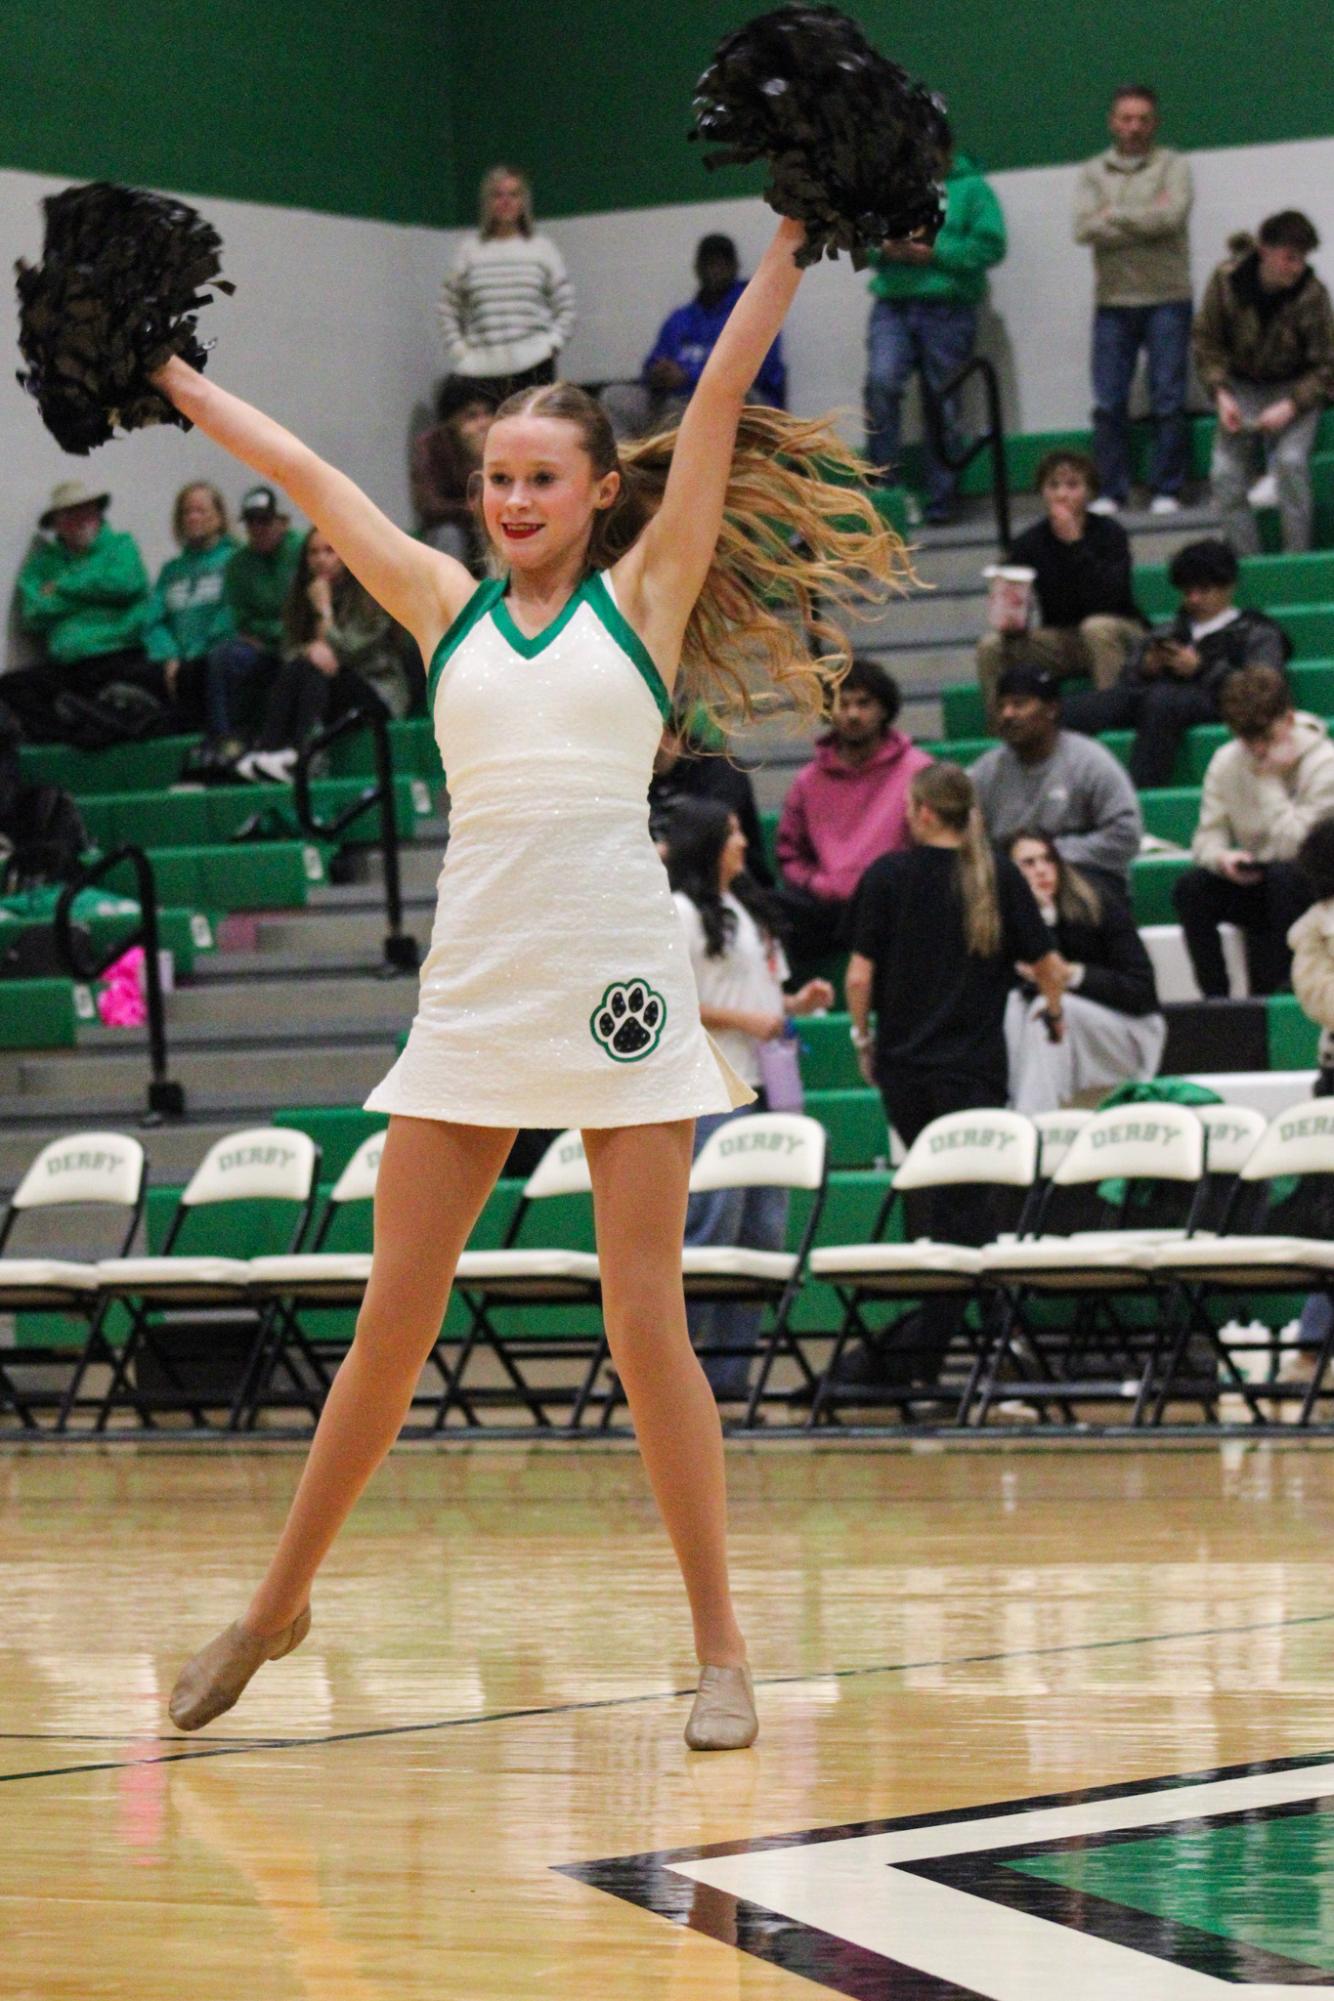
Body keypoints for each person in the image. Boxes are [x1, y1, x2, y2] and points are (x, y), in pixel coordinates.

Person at [152, 211, 908, 1751]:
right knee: (391, 1321)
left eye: (540, 478)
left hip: (621, 985)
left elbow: (715, 403)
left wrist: (787, 241)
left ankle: (721, 1651)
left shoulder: (648, 597)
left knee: (646, 1322)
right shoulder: (439, 603)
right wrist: (162, 369)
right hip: (479, 987)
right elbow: (305, 475)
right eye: (494, 477)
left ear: (598, 493)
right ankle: (275, 1605)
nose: (509, 499)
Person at [842, 763, 1065, 1389]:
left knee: (954, 1217)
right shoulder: (994, 875)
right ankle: (980, 1353)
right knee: (964, 1215)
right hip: (973, 1076)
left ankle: (922, 1358)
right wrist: (1054, 1012)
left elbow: (858, 978)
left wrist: (864, 1039)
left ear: (922, 812)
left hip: (906, 1077)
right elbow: (1048, 964)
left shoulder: (887, 875)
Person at [665, 797, 832, 1404]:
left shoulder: (750, 909)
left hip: (767, 1084)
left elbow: (766, 997)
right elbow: (671, 999)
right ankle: (671, 1376)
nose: (742, 843)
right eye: (732, 832)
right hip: (713, 1086)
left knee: (763, 1231)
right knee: (711, 1228)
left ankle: (727, 1376)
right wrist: (747, 1018)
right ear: (707, 842)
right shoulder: (679, 912)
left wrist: (794, 1005)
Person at [1063, 538, 1292, 788]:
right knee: (1079, 707)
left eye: (1203, 590)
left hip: (1217, 700)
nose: (1194, 599)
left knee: (1162, 700)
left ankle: (1140, 790)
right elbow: (1126, 681)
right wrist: (1146, 667)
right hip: (1158, 695)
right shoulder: (1169, 630)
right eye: (1187, 591)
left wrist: (1201, 669)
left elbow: (1264, 688)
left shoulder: (1257, 631)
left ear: (1228, 587)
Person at [863, 122, 1006, 523]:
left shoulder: (973, 188)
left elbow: (991, 245)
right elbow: (862, 239)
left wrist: (935, 251)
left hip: (948, 308)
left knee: (943, 403)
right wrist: (884, 246)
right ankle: (885, 496)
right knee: (881, 385)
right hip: (892, 306)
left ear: (947, 150)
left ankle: (942, 500)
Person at [1171, 664, 1333, 998]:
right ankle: (1217, 1001)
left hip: (1314, 886)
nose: (1257, 749)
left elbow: (1301, 847)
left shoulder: (1325, 764)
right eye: (1247, 740)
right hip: (1259, 877)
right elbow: (1206, 837)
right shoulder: (1226, 761)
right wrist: (1222, 859)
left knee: (1284, 878)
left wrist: (1268, 779)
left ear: (1287, 720)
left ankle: (1283, 994)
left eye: (1267, 738)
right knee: (1191, 889)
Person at [1072, 84, 1194, 516]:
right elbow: (1083, 229)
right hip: (1113, 302)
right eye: (1126, 118)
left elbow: (1172, 216)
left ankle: (1168, 489)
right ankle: (1111, 491)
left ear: (1155, 123)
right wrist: (1146, 218)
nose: (1134, 126)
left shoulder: (1174, 166)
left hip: (1168, 300)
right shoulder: (1093, 171)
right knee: (1108, 404)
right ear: (1112, 122)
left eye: (1143, 118)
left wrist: (1114, 216)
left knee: (1168, 400)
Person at [1193, 211, 1334, 555]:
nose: (1297, 267)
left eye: (1302, 259)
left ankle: (1296, 558)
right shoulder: (1226, 281)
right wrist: (1221, 394)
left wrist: (1291, 405)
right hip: (1241, 387)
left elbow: (1327, 365)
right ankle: (1246, 563)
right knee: (1225, 475)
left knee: (1290, 464)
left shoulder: (1313, 294)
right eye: (1289, 258)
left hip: (1295, 387)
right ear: (1263, 251)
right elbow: (1206, 342)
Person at [774, 658, 932, 962]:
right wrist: (815, 883)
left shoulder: (918, 770)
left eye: (864, 703)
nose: (852, 714)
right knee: (772, 908)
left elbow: (934, 843)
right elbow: (789, 852)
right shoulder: (808, 780)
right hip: (829, 906)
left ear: (884, 709)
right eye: (842, 704)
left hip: (896, 902)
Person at [975, 449, 1144, 721]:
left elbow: (1111, 598)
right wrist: (1010, 617)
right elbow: (1015, 601)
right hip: (1063, 637)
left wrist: (1076, 544)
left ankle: (1113, 721)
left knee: (1096, 628)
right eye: (1053, 485)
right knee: (990, 646)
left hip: (1117, 630)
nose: (1062, 494)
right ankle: (1004, 727)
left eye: (1072, 485)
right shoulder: (1028, 542)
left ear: (1089, 492)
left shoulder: (1110, 533)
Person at [236, 528, 414, 783]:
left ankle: (300, 754)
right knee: (295, 667)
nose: (321, 559)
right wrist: (310, 651)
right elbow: (288, 652)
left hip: (375, 691)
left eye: (330, 551)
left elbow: (348, 651)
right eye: (313, 552)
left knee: (311, 668)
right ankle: (269, 752)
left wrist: (324, 611)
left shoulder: (374, 595)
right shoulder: (302, 596)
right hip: (327, 687)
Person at [1005, 829, 1164, 1113]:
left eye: (1048, 860)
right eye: (1028, 864)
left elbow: (1142, 992)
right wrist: (1039, 920)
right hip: (1060, 1037)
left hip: (1127, 1029)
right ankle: (1012, 1110)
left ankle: (1030, 1125)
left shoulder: (1098, 902)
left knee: (1049, 1008)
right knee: (1013, 1007)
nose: (1041, 870)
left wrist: (1072, 975)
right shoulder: (1004, 921)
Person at [970, 663, 1143, 897]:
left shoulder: (1090, 761)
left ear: (1051, 709)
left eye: (1019, 704)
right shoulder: (985, 771)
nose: (1007, 714)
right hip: (1011, 882)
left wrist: (1048, 855)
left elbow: (1126, 835)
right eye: (1002, 706)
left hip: (1082, 876)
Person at [6, 480, 154, 738]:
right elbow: (32, 613)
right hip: (69, 666)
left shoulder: (121, 546)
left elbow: (126, 584)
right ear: (56, 525)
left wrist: (63, 587)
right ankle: (83, 729)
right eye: (70, 514)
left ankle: (91, 724)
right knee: (12, 687)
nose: (81, 519)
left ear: (98, 513)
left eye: (87, 510)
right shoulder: (42, 564)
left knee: (142, 684)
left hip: (119, 654)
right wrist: (97, 593)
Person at [601, 234, 786, 441]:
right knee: (614, 398)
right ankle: (637, 470)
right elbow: (652, 364)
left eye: (720, 263)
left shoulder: (754, 313)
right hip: (682, 405)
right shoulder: (680, 318)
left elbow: (752, 373)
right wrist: (657, 373)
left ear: (734, 267)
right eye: (708, 263)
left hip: (736, 406)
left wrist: (690, 375)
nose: (713, 270)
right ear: (697, 268)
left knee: (743, 398)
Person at [437, 164, 575, 404]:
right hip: (481, 370)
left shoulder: (542, 249)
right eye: (498, 195)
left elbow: (566, 305)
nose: (505, 201)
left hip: (534, 365)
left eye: (513, 194)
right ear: (487, 202)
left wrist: (552, 344)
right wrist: (459, 349)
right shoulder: (469, 251)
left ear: (523, 201)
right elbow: (448, 306)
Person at [202, 486, 303, 752]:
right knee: (223, 657)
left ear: (281, 521)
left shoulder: (302, 551)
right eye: (251, 522)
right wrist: (270, 633)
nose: (258, 529)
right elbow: (242, 618)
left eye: (265, 521)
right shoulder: (238, 564)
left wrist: (276, 631)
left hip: (299, 641)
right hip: (262, 646)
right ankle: (227, 741)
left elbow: (305, 613)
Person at [142, 483, 238, 730]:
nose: (193, 517)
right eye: (187, 512)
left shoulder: (235, 561)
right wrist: (170, 656)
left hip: (213, 654)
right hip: (174, 661)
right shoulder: (171, 570)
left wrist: (193, 654)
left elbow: (230, 614)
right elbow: (154, 620)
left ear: (219, 517)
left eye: (201, 511)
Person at [648, 707, 772, 886]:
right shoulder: (637, 777)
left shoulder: (720, 771)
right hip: (662, 883)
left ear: (663, 733)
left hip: (728, 886)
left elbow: (711, 839)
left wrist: (656, 853)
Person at [410, 380, 494, 568]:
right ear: (452, 420)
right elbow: (428, 505)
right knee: (449, 534)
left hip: (487, 522)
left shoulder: (500, 441)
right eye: (471, 416)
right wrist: (468, 509)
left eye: (487, 413)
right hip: (450, 525)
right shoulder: (432, 446)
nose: (482, 423)